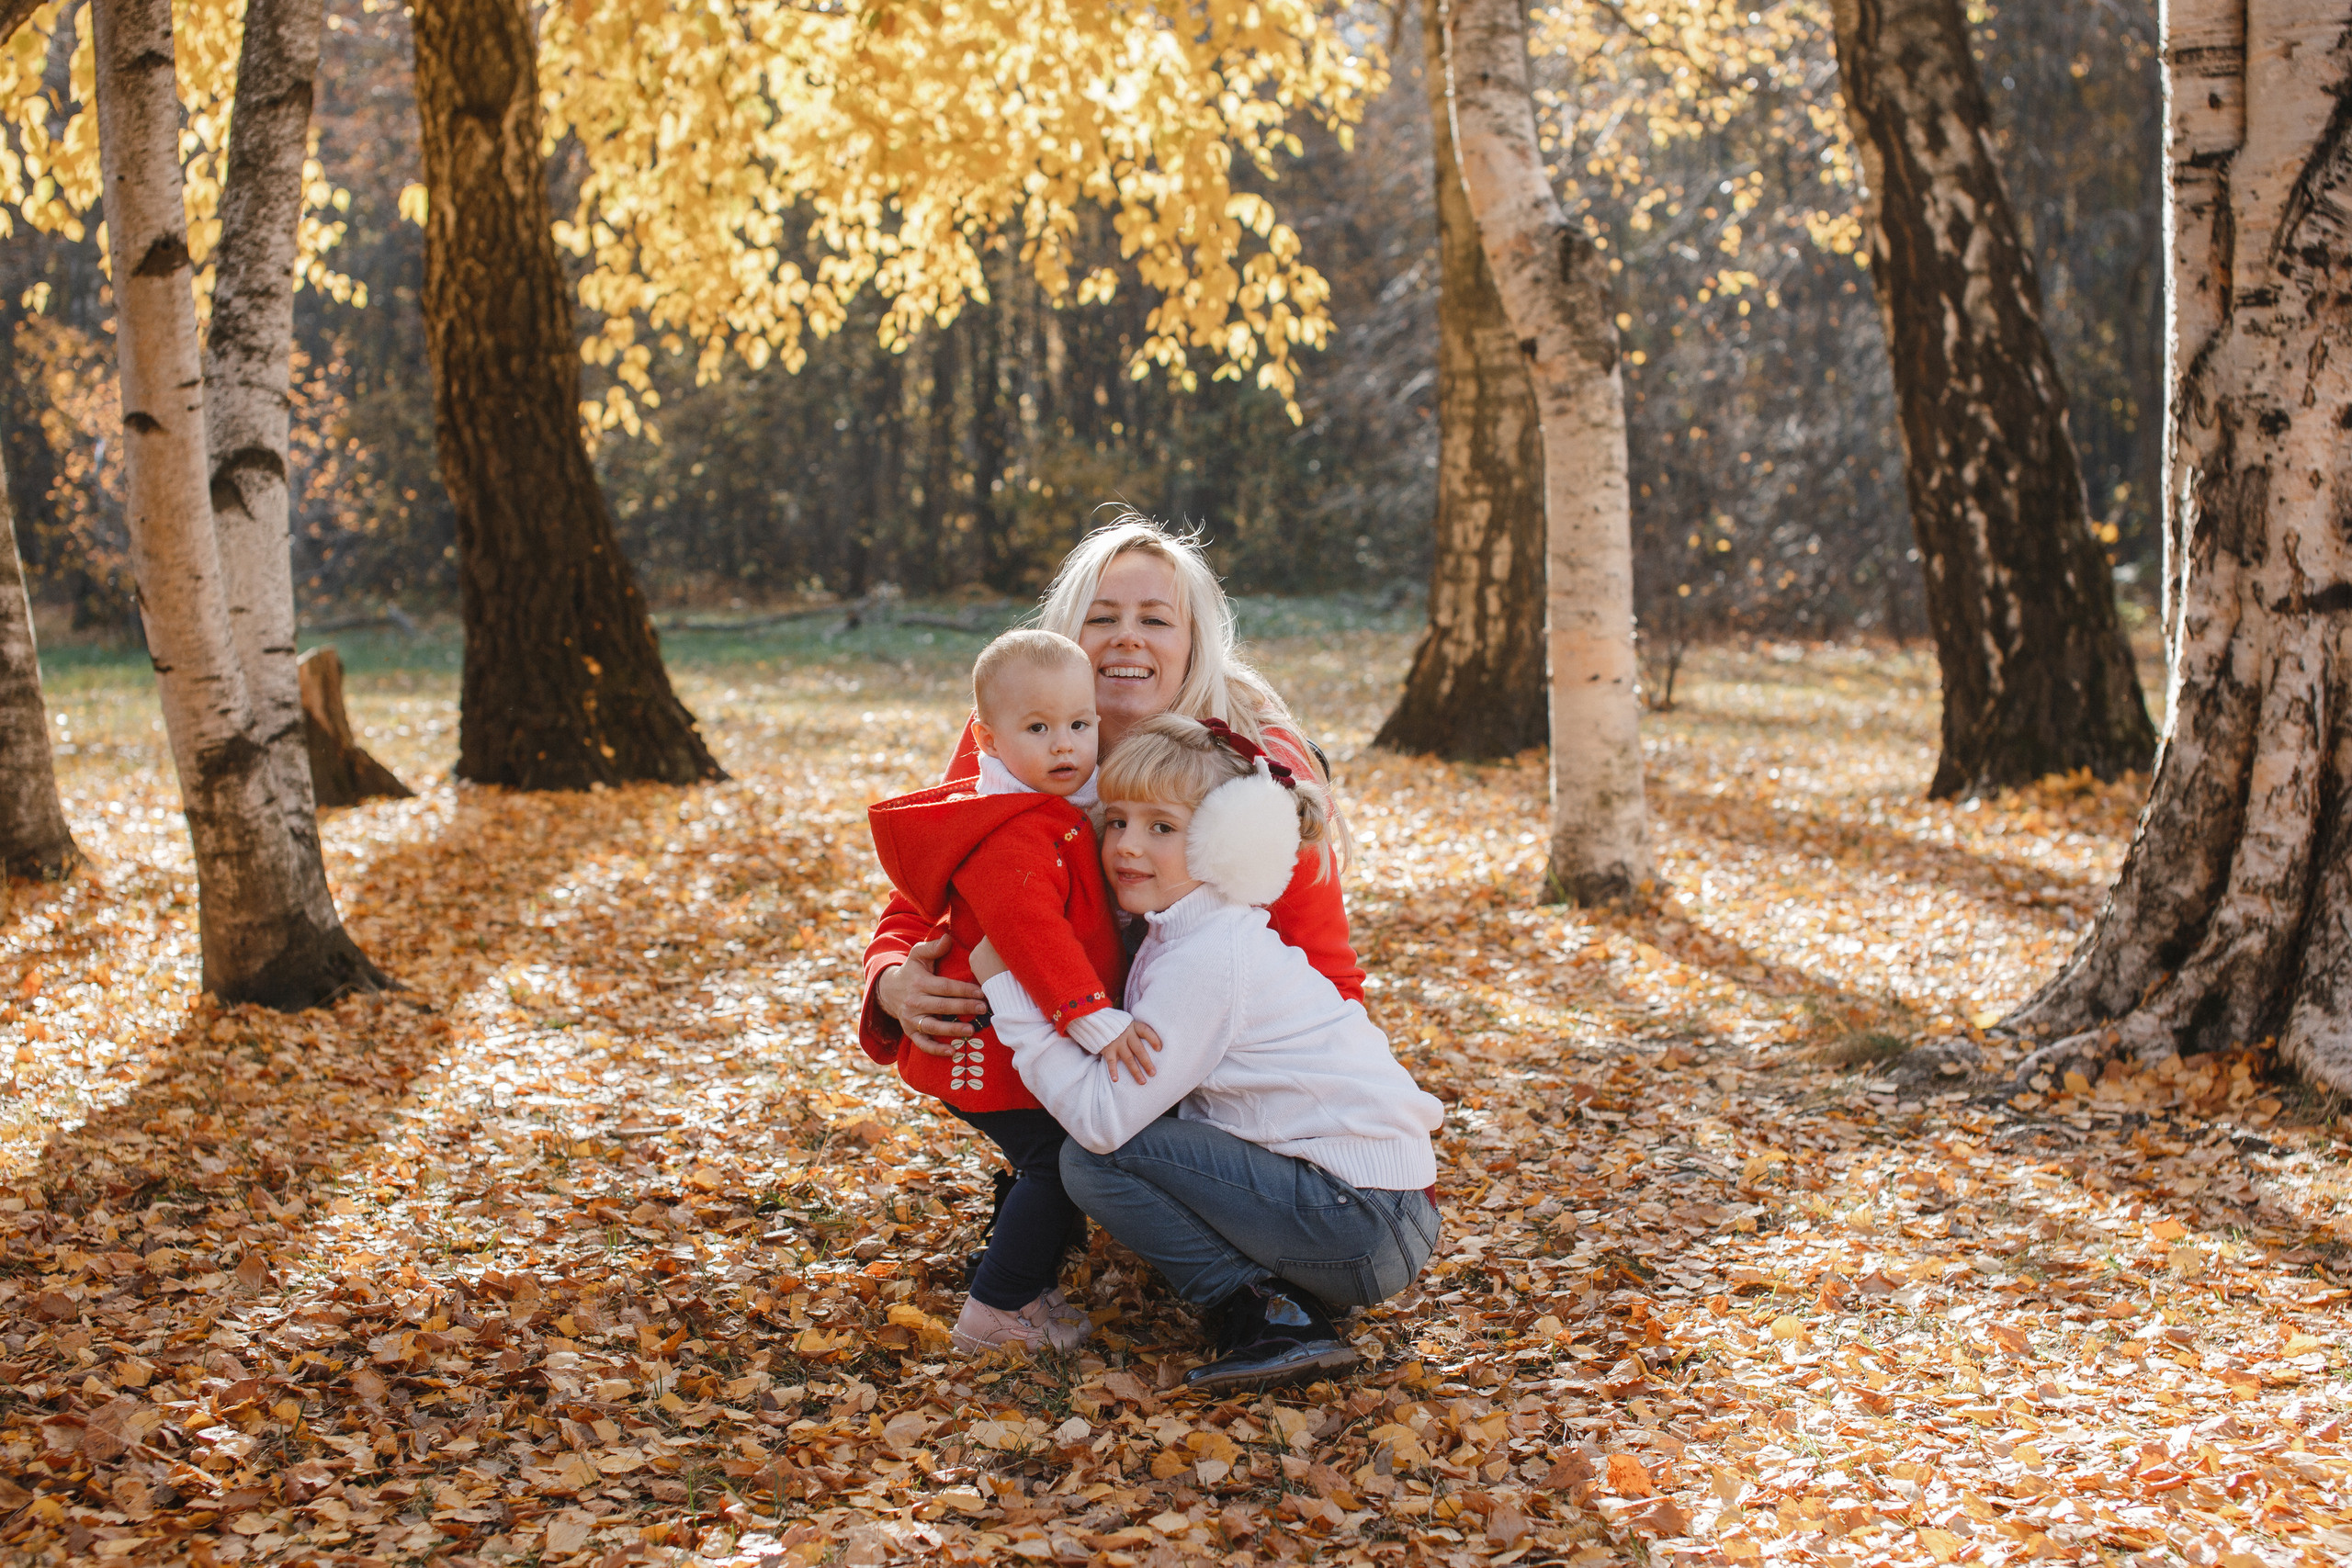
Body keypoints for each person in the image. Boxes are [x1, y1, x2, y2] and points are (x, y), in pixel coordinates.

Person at [973, 716, 1443, 1392]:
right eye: (1117, 822)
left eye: (1162, 827)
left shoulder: (1208, 958)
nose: (1129, 846)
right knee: (1120, 1144)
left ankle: (1274, 1316)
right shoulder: (1186, 933)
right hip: (1366, 1211)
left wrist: (1010, 990)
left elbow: (1104, 1121)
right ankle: (1278, 1302)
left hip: (1365, 1217)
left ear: (1224, 843)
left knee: (1093, 1158)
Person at [859, 514, 1363, 1062]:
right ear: (1066, 636)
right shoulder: (1013, 738)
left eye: (1156, 620)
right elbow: (926, 890)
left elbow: (1323, 965)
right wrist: (889, 980)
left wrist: (1347, 1099)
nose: (1128, 636)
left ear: (1194, 641)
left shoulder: (1252, 755)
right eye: (1101, 618)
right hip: (1070, 1046)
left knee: (1098, 1151)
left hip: (1228, 1062)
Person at [865, 631, 1156, 1354]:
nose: (1066, 745)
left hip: (1018, 1038)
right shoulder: (1010, 828)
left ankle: (1031, 1291)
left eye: (1079, 726)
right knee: (1054, 1164)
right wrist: (1093, 1017)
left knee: (1058, 1158)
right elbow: (1030, 936)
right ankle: (995, 1310)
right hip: (984, 1042)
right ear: (988, 741)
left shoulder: (1052, 806)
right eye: (1039, 729)